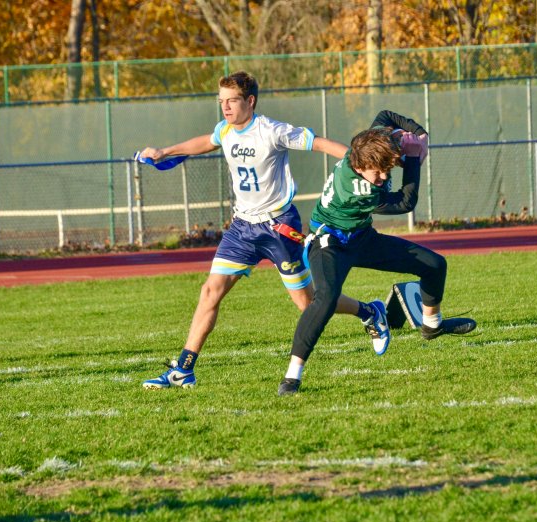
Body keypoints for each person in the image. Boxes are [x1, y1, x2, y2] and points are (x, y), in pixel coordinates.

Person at [136, 71, 391, 389]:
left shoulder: (272, 131)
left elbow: (321, 144)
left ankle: (369, 311)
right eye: (221, 101)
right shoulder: (225, 129)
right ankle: (183, 369)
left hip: (279, 228)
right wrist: (165, 151)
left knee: (307, 304)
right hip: (242, 228)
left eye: (232, 101)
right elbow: (207, 141)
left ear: (250, 101)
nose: (225, 108)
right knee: (210, 292)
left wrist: (362, 164)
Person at [278, 110, 477, 395]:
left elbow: (384, 115)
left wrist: (417, 134)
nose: (383, 176)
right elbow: (406, 202)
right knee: (325, 299)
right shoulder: (359, 189)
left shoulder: (369, 146)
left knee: (434, 264)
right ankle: (292, 376)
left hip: (361, 237)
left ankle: (432, 325)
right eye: (379, 172)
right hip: (330, 242)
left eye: (387, 169)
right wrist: (412, 157)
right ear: (359, 167)